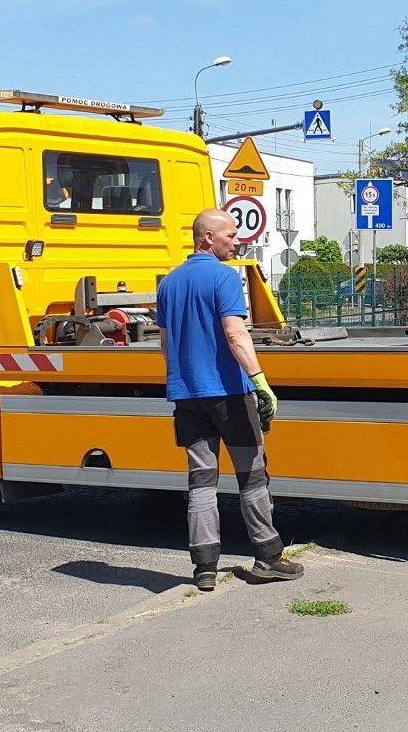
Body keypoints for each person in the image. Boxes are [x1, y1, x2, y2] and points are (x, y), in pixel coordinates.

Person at [156, 208, 305, 592]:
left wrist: (183, 378)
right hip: (229, 395)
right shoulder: (223, 278)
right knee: (253, 477)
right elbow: (236, 333)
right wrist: (260, 381)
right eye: (230, 235)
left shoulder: (169, 284)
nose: (237, 241)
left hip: (188, 397)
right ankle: (269, 557)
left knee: (201, 482)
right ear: (207, 237)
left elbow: (165, 344)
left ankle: (204, 568)